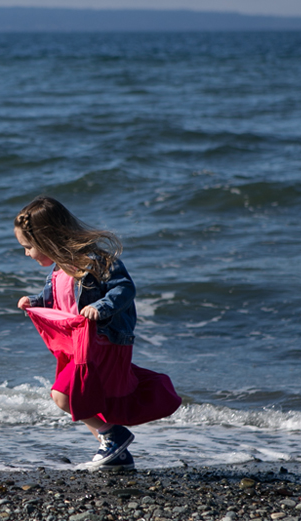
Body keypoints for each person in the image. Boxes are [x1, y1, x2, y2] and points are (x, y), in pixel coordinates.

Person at [14, 196, 181, 470]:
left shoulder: (96, 261)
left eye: (28, 246)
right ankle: (117, 454)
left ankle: (115, 436)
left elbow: (125, 288)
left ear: (47, 239)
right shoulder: (57, 271)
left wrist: (101, 307)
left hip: (104, 341)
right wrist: (34, 302)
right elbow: (56, 299)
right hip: (79, 344)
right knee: (87, 397)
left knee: (63, 396)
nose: (27, 253)